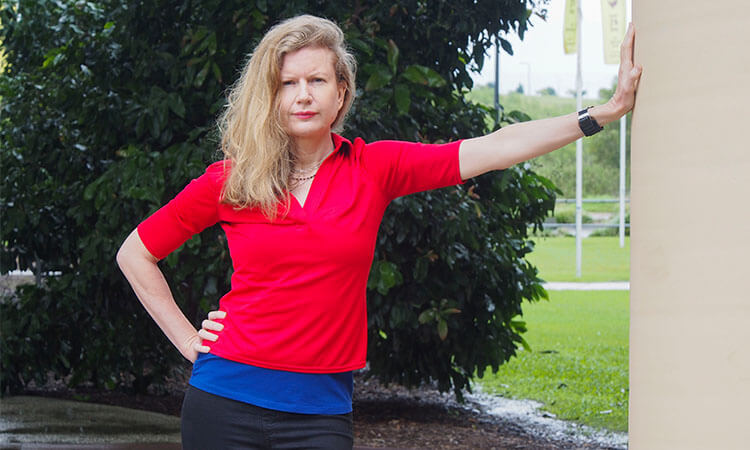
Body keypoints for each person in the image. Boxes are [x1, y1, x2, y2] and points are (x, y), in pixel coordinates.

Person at [116, 14, 641, 450]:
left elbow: (492, 147)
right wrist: (187, 339)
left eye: (317, 80)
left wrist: (602, 113)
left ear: (341, 93)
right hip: (222, 402)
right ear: (269, 96)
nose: (303, 95)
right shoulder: (231, 181)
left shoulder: (373, 168)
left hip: (319, 413)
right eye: (287, 83)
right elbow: (135, 254)